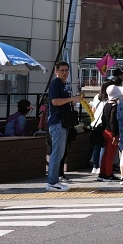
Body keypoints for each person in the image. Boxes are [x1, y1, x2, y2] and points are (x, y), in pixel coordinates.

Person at [46, 61, 77, 192]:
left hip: (62, 122)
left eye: (66, 70)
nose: (65, 72)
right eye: (62, 70)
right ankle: (52, 182)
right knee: (56, 153)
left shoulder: (63, 85)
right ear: (56, 71)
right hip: (57, 122)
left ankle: (55, 180)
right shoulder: (55, 84)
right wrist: (72, 99)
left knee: (59, 153)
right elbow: (55, 101)